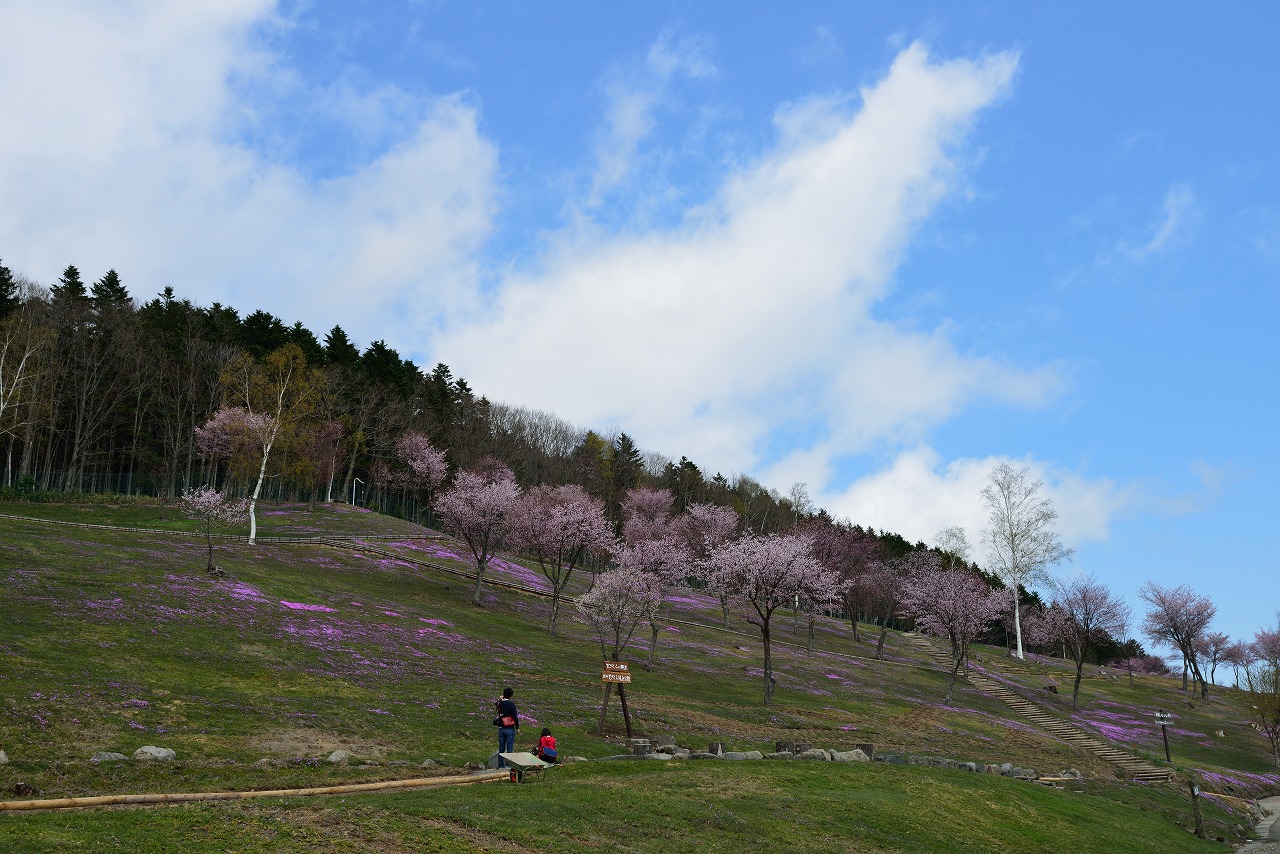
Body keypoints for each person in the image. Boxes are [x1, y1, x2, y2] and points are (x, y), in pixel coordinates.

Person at [494, 686, 519, 768]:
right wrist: (517, 727)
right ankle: (508, 765)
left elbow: (496, 704)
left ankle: (501, 765)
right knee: (509, 747)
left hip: (501, 727)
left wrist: (500, 699)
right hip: (509, 728)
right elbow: (515, 717)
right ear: (511, 695)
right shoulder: (511, 704)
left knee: (501, 747)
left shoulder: (499, 704)